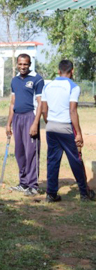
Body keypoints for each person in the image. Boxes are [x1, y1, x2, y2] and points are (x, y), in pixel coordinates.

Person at [40, 60, 96, 202]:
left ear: (58, 71)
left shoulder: (48, 86)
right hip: (66, 128)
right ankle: (85, 193)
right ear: (72, 71)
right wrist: (79, 134)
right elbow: (72, 110)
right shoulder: (73, 87)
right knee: (76, 160)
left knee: (52, 161)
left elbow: (44, 110)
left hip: (51, 127)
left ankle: (51, 194)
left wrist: (51, 123)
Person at [6, 54, 44, 195]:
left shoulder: (37, 79)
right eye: (20, 64)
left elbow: (40, 104)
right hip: (17, 118)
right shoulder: (14, 80)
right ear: (17, 64)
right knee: (20, 152)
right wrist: (8, 123)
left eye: (25, 64)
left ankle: (33, 185)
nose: (23, 67)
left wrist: (35, 123)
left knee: (31, 151)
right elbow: (12, 103)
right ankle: (23, 183)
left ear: (30, 64)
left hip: (30, 117)